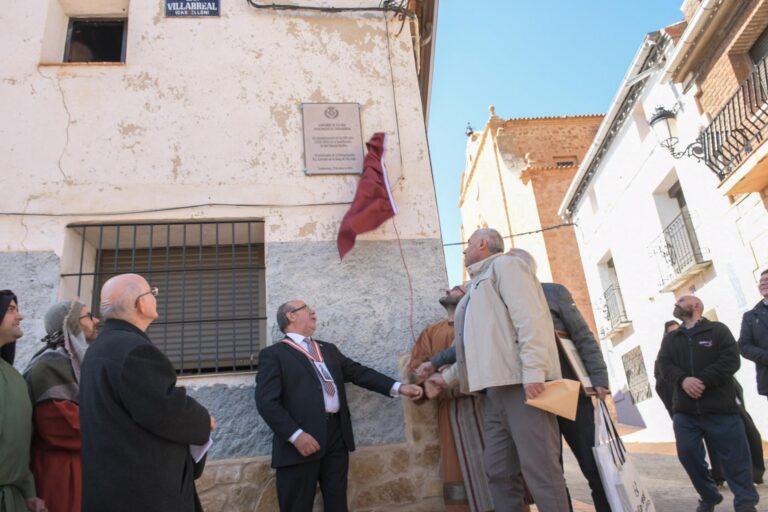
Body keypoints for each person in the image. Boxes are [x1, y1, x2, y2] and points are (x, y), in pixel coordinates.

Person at [437, 228, 569, 511]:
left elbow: (530, 320)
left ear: (483, 244)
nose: (464, 250)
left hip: (522, 386)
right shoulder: (475, 288)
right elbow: (475, 348)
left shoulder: (507, 266)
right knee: (498, 472)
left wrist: (534, 371)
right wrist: (445, 378)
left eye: (469, 243)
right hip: (494, 392)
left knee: (542, 473)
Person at [256, 299, 423, 512]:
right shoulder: (274, 354)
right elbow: (266, 402)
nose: (314, 312)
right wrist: (295, 435)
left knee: (338, 505)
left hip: (336, 436)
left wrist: (399, 387)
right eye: (307, 309)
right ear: (291, 316)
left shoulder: (327, 349)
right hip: (300, 441)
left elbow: (358, 373)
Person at [79, 274, 214, 512]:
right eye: (152, 292)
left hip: (111, 486)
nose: (155, 297)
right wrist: (204, 420)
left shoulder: (99, 347)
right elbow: (165, 410)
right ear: (140, 304)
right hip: (142, 492)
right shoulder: (134, 350)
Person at [657, 295, 759, 512]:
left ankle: (746, 504)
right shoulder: (671, 338)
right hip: (685, 413)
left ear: (695, 306)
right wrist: (683, 380)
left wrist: (702, 380)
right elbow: (664, 365)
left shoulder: (718, 330)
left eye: (681, 300)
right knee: (688, 456)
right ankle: (709, 495)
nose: (676, 303)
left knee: (736, 461)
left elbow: (731, 360)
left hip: (721, 410)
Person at [408, 286, 493, 512]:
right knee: (457, 477)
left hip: (486, 406)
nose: (450, 288)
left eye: (458, 287)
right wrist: (432, 378)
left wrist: (451, 374)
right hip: (451, 413)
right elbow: (416, 369)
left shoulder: (481, 323)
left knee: (499, 467)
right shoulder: (431, 332)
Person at [21, 300, 99, 512]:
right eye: (88, 316)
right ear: (71, 323)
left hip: (82, 466)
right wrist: (111, 424)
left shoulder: (75, 362)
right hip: (61, 473)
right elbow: (62, 427)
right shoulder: (50, 364)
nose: (96, 320)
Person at [0, 290, 47, 512]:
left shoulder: (15, 378)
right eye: (11, 310)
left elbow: (20, 444)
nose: (20, 316)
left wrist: (29, 494)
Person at [739, 268, 768, 398]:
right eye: (761, 281)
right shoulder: (750, 316)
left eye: (767, 280)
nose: (763, 283)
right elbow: (743, 346)